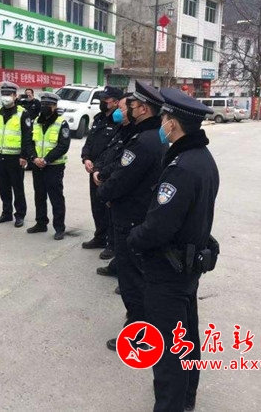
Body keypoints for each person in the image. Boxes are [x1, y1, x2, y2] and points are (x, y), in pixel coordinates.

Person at [128, 88, 219, 412]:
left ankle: (170, 405)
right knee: (186, 338)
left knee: (168, 349)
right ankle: (187, 396)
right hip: (187, 266)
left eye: (164, 119)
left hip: (168, 271)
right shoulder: (203, 159)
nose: (161, 125)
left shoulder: (181, 168)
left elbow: (159, 227)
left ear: (173, 125)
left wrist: (133, 238)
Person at [97, 82, 168, 350]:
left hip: (130, 217)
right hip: (142, 213)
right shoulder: (157, 136)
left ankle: (139, 335)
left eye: (133, 105)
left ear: (144, 109)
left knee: (132, 281)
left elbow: (123, 178)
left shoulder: (143, 141)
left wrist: (103, 191)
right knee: (139, 276)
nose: (130, 109)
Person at [92, 94, 135, 280]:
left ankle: (126, 276)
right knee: (116, 229)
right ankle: (117, 265)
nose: (119, 112)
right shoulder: (121, 131)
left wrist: (103, 177)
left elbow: (122, 164)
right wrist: (97, 168)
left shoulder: (136, 137)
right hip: (107, 179)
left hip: (120, 187)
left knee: (124, 234)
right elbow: (107, 153)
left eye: (122, 109)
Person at [81, 86, 123, 259]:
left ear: (116, 102)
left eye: (105, 100)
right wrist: (86, 158)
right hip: (93, 170)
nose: (102, 102)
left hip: (107, 172)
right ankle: (100, 236)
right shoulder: (99, 119)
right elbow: (89, 141)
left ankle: (112, 244)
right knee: (97, 206)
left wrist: (99, 168)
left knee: (109, 209)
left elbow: (112, 150)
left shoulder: (119, 122)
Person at [0, 81, 32, 228]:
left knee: (17, 187)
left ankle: (20, 215)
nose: (5, 97)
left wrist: (24, 156)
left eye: (8, 94)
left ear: (15, 96)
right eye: (3, 94)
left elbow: (27, 136)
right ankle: (6, 213)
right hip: (0, 157)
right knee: (3, 187)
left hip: (16, 158)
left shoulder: (22, 113)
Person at [26, 92, 70, 240]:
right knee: (39, 195)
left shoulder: (61, 123)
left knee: (56, 198)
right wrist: (34, 158)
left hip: (54, 166)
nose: (44, 107)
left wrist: (46, 160)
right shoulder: (36, 122)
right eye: (43, 104)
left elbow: (63, 146)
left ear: (55, 106)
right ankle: (41, 223)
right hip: (37, 165)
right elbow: (29, 142)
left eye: (48, 105)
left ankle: (59, 228)